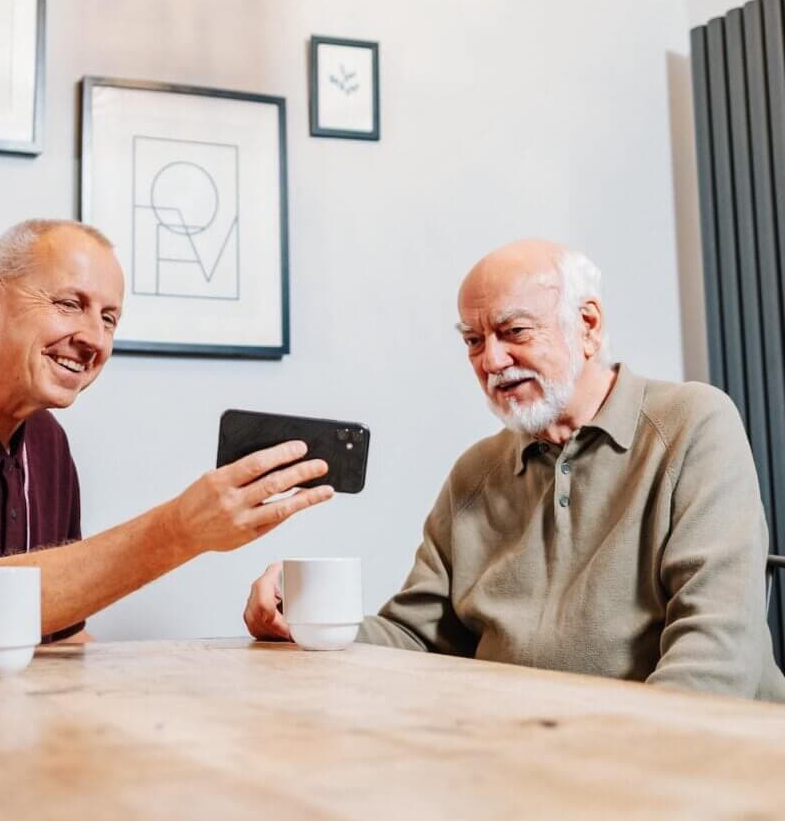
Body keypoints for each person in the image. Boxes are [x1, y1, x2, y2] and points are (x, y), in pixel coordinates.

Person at [245, 239, 785, 701]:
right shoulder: (476, 472)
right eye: (474, 341)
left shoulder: (693, 424)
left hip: (684, 759)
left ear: (588, 326)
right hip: (522, 753)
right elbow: (417, 637)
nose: (491, 361)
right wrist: (306, 622)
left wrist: (623, 762)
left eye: (515, 332)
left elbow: (714, 652)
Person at [0, 219, 332, 653]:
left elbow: (63, 637)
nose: (94, 338)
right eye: (70, 304)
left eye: (110, 319)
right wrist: (182, 529)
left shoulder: (47, 441)